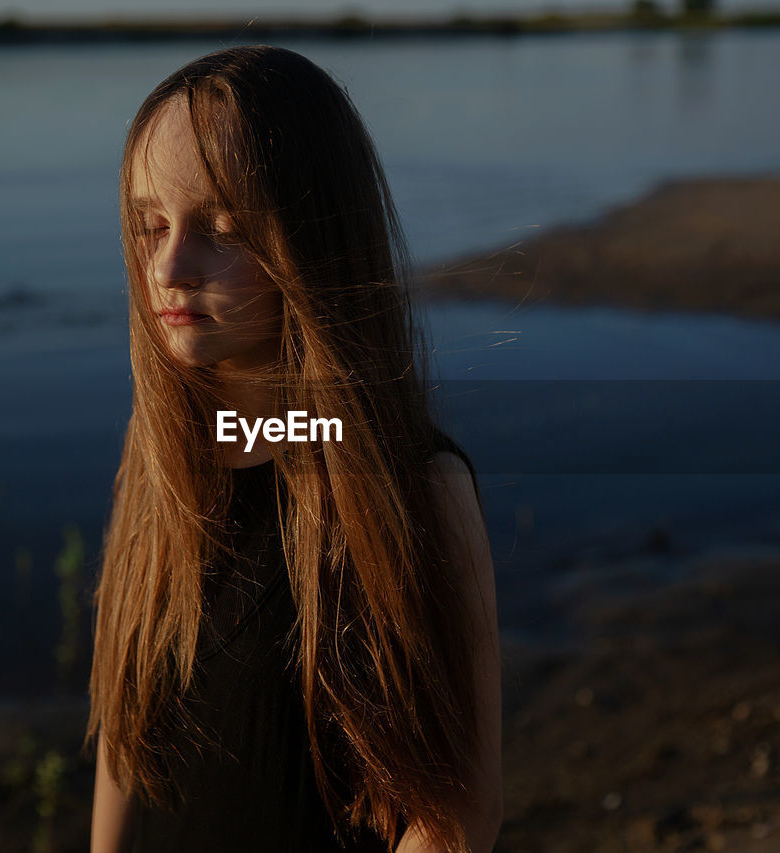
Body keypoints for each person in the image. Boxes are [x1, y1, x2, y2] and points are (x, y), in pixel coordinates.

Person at [86, 45, 501, 853]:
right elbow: (124, 735)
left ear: (311, 244)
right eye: (151, 226)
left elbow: (457, 818)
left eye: (222, 230)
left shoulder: (412, 486)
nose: (169, 266)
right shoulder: (160, 463)